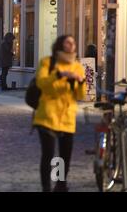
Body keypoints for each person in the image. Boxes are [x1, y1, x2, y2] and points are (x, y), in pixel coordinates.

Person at [33, 35, 86, 192]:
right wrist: (59, 75)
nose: (71, 45)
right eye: (68, 42)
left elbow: (80, 95)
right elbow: (41, 83)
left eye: (73, 43)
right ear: (60, 45)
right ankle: (46, 187)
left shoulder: (77, 66)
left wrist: (81, 82)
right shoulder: (47, 63)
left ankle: (60, 184)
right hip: (47, 116)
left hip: (67, 117)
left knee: (63, 156)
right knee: (48, 154)